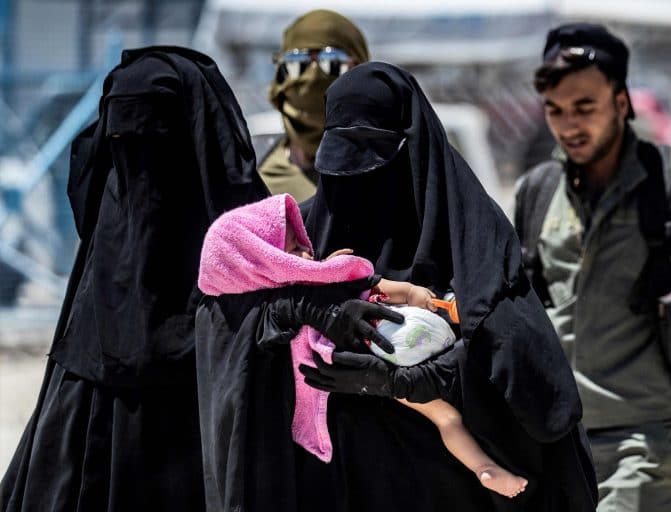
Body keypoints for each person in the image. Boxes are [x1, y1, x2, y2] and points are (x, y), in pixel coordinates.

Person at [0, 47, 394, 512]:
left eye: (157, 142)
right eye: (124, 145)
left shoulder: (244, 258)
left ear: (196, 144)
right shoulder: (93, 317)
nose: (140, 165)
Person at [294, 61, 598, 511]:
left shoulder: (469, 236)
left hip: (452, 486)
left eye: (375, 157)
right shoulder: (303, 231)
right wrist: (315, 312)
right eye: (344, 159)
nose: (359, 181)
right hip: (345, 478)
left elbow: (519, 353)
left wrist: (422, 378)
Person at [512, 23, 671, 512]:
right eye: (555, 110)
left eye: (585, 107)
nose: (569, 125)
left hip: (641, 437)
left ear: (622, 103)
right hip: (550, 437)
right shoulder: (536, 192)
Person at [196, 194, 528, 502]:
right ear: (262, 260)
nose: (306, 253)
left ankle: (483, 468)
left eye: (301, 244)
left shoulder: (323, 274)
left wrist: (412, 295)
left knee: (444, 416)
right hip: (370, 364)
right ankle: (483, 467)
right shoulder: (273, 309)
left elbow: (377, 285)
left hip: (385, 356)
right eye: (292, 249)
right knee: (445, 416)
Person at [258, 9, 369, 202]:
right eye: (297, 62)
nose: (313, 76)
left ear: (359, 68)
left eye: (332, 62)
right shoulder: (254, 175)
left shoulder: (385, 173)